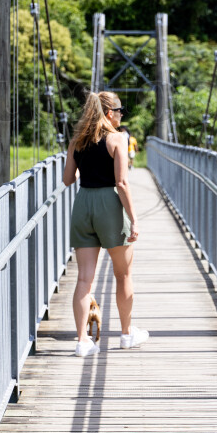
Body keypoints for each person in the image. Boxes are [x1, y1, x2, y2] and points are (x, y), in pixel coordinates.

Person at [63, 91, 149, 358]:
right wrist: (134, 219)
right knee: (123, 274)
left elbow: (68, 179)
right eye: (120, 111)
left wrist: (85, 165)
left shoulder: (77, 140)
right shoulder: (117, 139)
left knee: (84, 279)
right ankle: (126, 334)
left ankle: (82, 341)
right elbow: (122, 183)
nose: (121, 116)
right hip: (109, 206)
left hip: (83, 205)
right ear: (109, 113)